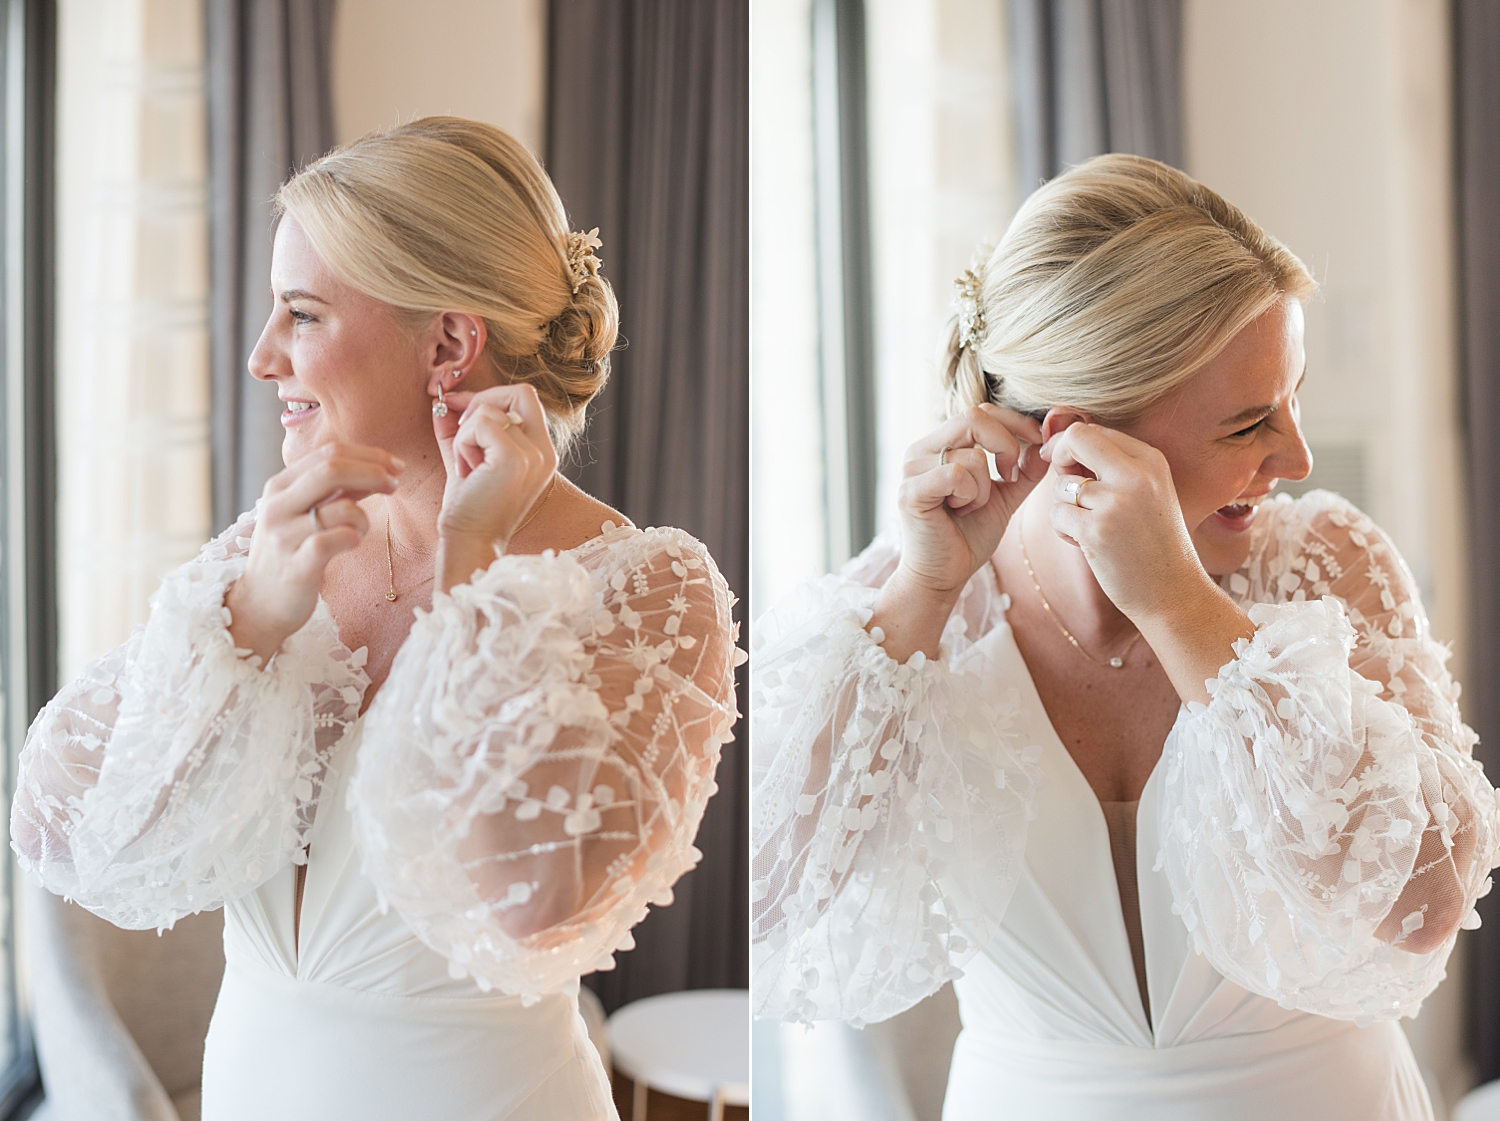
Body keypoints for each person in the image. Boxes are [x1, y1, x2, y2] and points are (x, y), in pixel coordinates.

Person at [12, 117, 742, 1121]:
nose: (264, 356)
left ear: (449, 343)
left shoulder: (651, 591)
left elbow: (528, 907)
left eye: (301, 314)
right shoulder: (279, 543)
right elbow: (58, 818)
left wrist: (469, 567)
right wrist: (249, 620)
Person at [750, 153, 1497, 1120]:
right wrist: (924, 591)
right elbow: (769, 901)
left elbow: (1425, 901)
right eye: (1249, 423)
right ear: (1081, 436)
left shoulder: (1328, 568)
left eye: (1294, 398)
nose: (1298, 455)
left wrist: (1183, 606)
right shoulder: (910, 601)